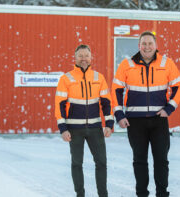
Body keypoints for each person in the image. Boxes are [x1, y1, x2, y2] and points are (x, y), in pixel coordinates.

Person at [111, 31, 180, 197]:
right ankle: (142, 193)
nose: (147, 47)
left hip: (159, 120)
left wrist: (169, 108)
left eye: (150, 43)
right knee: (139, 160)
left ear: (156, 45)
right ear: (139, 46)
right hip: (135, 121)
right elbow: (116, 89)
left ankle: (162, 193)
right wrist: (119, 115)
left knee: (161, 160)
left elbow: (179, 86)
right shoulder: (127, 64)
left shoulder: (167, 63)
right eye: (144, 43)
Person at [55, 44, 114, 197]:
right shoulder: (66, 78)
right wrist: (63, 128)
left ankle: (103, 194)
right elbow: (59, 105)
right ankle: (80, 194)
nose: (83, 59)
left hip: (95, 128)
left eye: (86, 55)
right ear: (75, 58)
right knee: (77, 164)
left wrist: (109, 124)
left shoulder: (98, 77)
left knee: (101, 163)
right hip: (74, 129)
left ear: (91, 57)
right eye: (80, 56)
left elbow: (106, 102)